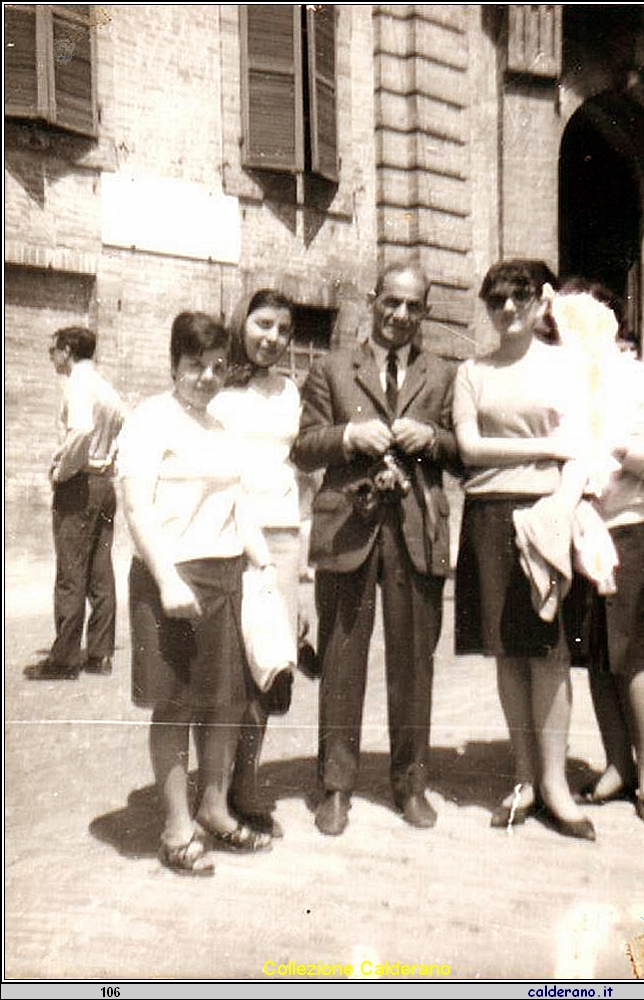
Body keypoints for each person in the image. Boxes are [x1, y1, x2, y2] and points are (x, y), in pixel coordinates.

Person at [292, 262, 458, 835]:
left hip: (416, 531)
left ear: (425, 311)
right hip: (349, 529)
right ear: (373, 301)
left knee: (413, 665)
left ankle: (411, 786)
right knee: (341, 661)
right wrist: (348, 436)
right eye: (391, 302)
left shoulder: (443, 374)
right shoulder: (331, 368)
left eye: (413, 306)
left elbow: (464, 452)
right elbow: (303, 447)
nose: (400, 315)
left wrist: (431, 438)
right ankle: (336, 788)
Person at [117, 312, 276, 876]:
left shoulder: (220, 427)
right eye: (194, 365)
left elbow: (239, 503)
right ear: (173, 365)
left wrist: (264, 565)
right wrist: (167, 581)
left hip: (224, 575)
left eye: (216, 366)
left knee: (225, 702)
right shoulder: (148, 421)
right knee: (177, 704)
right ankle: (176, 827)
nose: (207, 377)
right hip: (171, 579)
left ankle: (214, 806)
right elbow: (136, 508)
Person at [453, 259, 597, 840]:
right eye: (496, 300)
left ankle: (555, 783)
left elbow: (581, 448)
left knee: (550, 653)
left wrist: (561, 504)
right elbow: (469, 448)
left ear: (541, 302)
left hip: (547, 514)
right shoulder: (472, 371)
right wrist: (545, 446)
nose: (508, 309)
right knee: (508, 653)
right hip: (489, 515)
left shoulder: (566, 366)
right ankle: (524, 778)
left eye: (519, 297)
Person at [551, 280, 644, 822]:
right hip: (580, 529)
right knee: (597, 656)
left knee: (632, 657)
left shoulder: (643, 381)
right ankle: (617, 764)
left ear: (611, 321)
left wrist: (613, 445)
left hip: (629, 531)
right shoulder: (563, 382)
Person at [210, 289, 302, 838]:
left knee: (269, 663)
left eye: (283, 330)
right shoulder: (217, 387)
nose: (273, 337)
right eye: (263, 324)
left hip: (282, 534)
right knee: (229, 667)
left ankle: (246, 783)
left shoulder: (289, 390)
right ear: (241, 322)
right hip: (229, 535)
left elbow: (298, 469)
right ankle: (216, 790)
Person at [26, 327, 124, 681]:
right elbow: (122, 431)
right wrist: (108, 462)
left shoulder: (78, 385)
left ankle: (64, 660)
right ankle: (99, 655)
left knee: (70, 573)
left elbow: (80, 431)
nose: (51, 357)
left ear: (67, 350)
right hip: (104, 485)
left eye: (53, 350)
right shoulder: (107, 388)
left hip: (79, 485)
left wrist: (61, 471)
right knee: (100, 572)